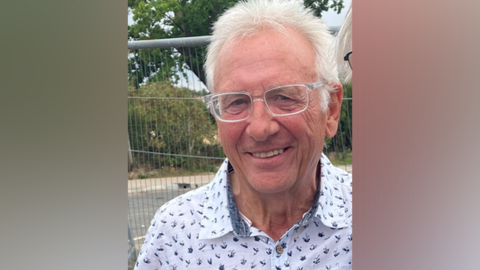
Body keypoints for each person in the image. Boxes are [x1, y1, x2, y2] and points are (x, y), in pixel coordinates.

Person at [134, 0, 352, 269]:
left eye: (284, 96)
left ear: (330, 108)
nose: (260, 128)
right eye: (236, 102)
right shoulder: (174, 233)